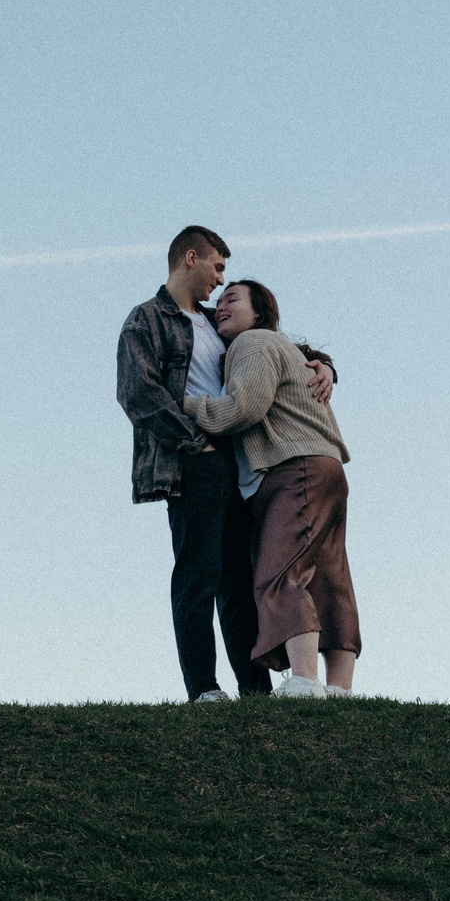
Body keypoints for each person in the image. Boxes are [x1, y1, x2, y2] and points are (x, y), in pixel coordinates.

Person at [115, 227, 334, 702]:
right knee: (198, 574)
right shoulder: (148, 319)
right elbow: (137, 393)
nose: (220, 280)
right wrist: (195, 441)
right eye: (217, 267)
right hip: (193, 463)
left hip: (239, 466)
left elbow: (280, 346)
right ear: (190, 259)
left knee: (239, 580)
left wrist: (326, 365)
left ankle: (253, 691)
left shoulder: (218, 323)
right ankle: (204, 689)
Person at [185, 279, 360, 698]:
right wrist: (329, 366)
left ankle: (303, 681)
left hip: (292, 469)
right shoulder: (283, 349)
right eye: (219, 299)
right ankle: (339, 688)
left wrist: (187, 403)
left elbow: (243, 409)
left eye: (233, 299)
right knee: (330, 577)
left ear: (259, 312)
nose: (221, 305)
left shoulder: (253, 343)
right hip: (327, 468)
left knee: (282, 572)